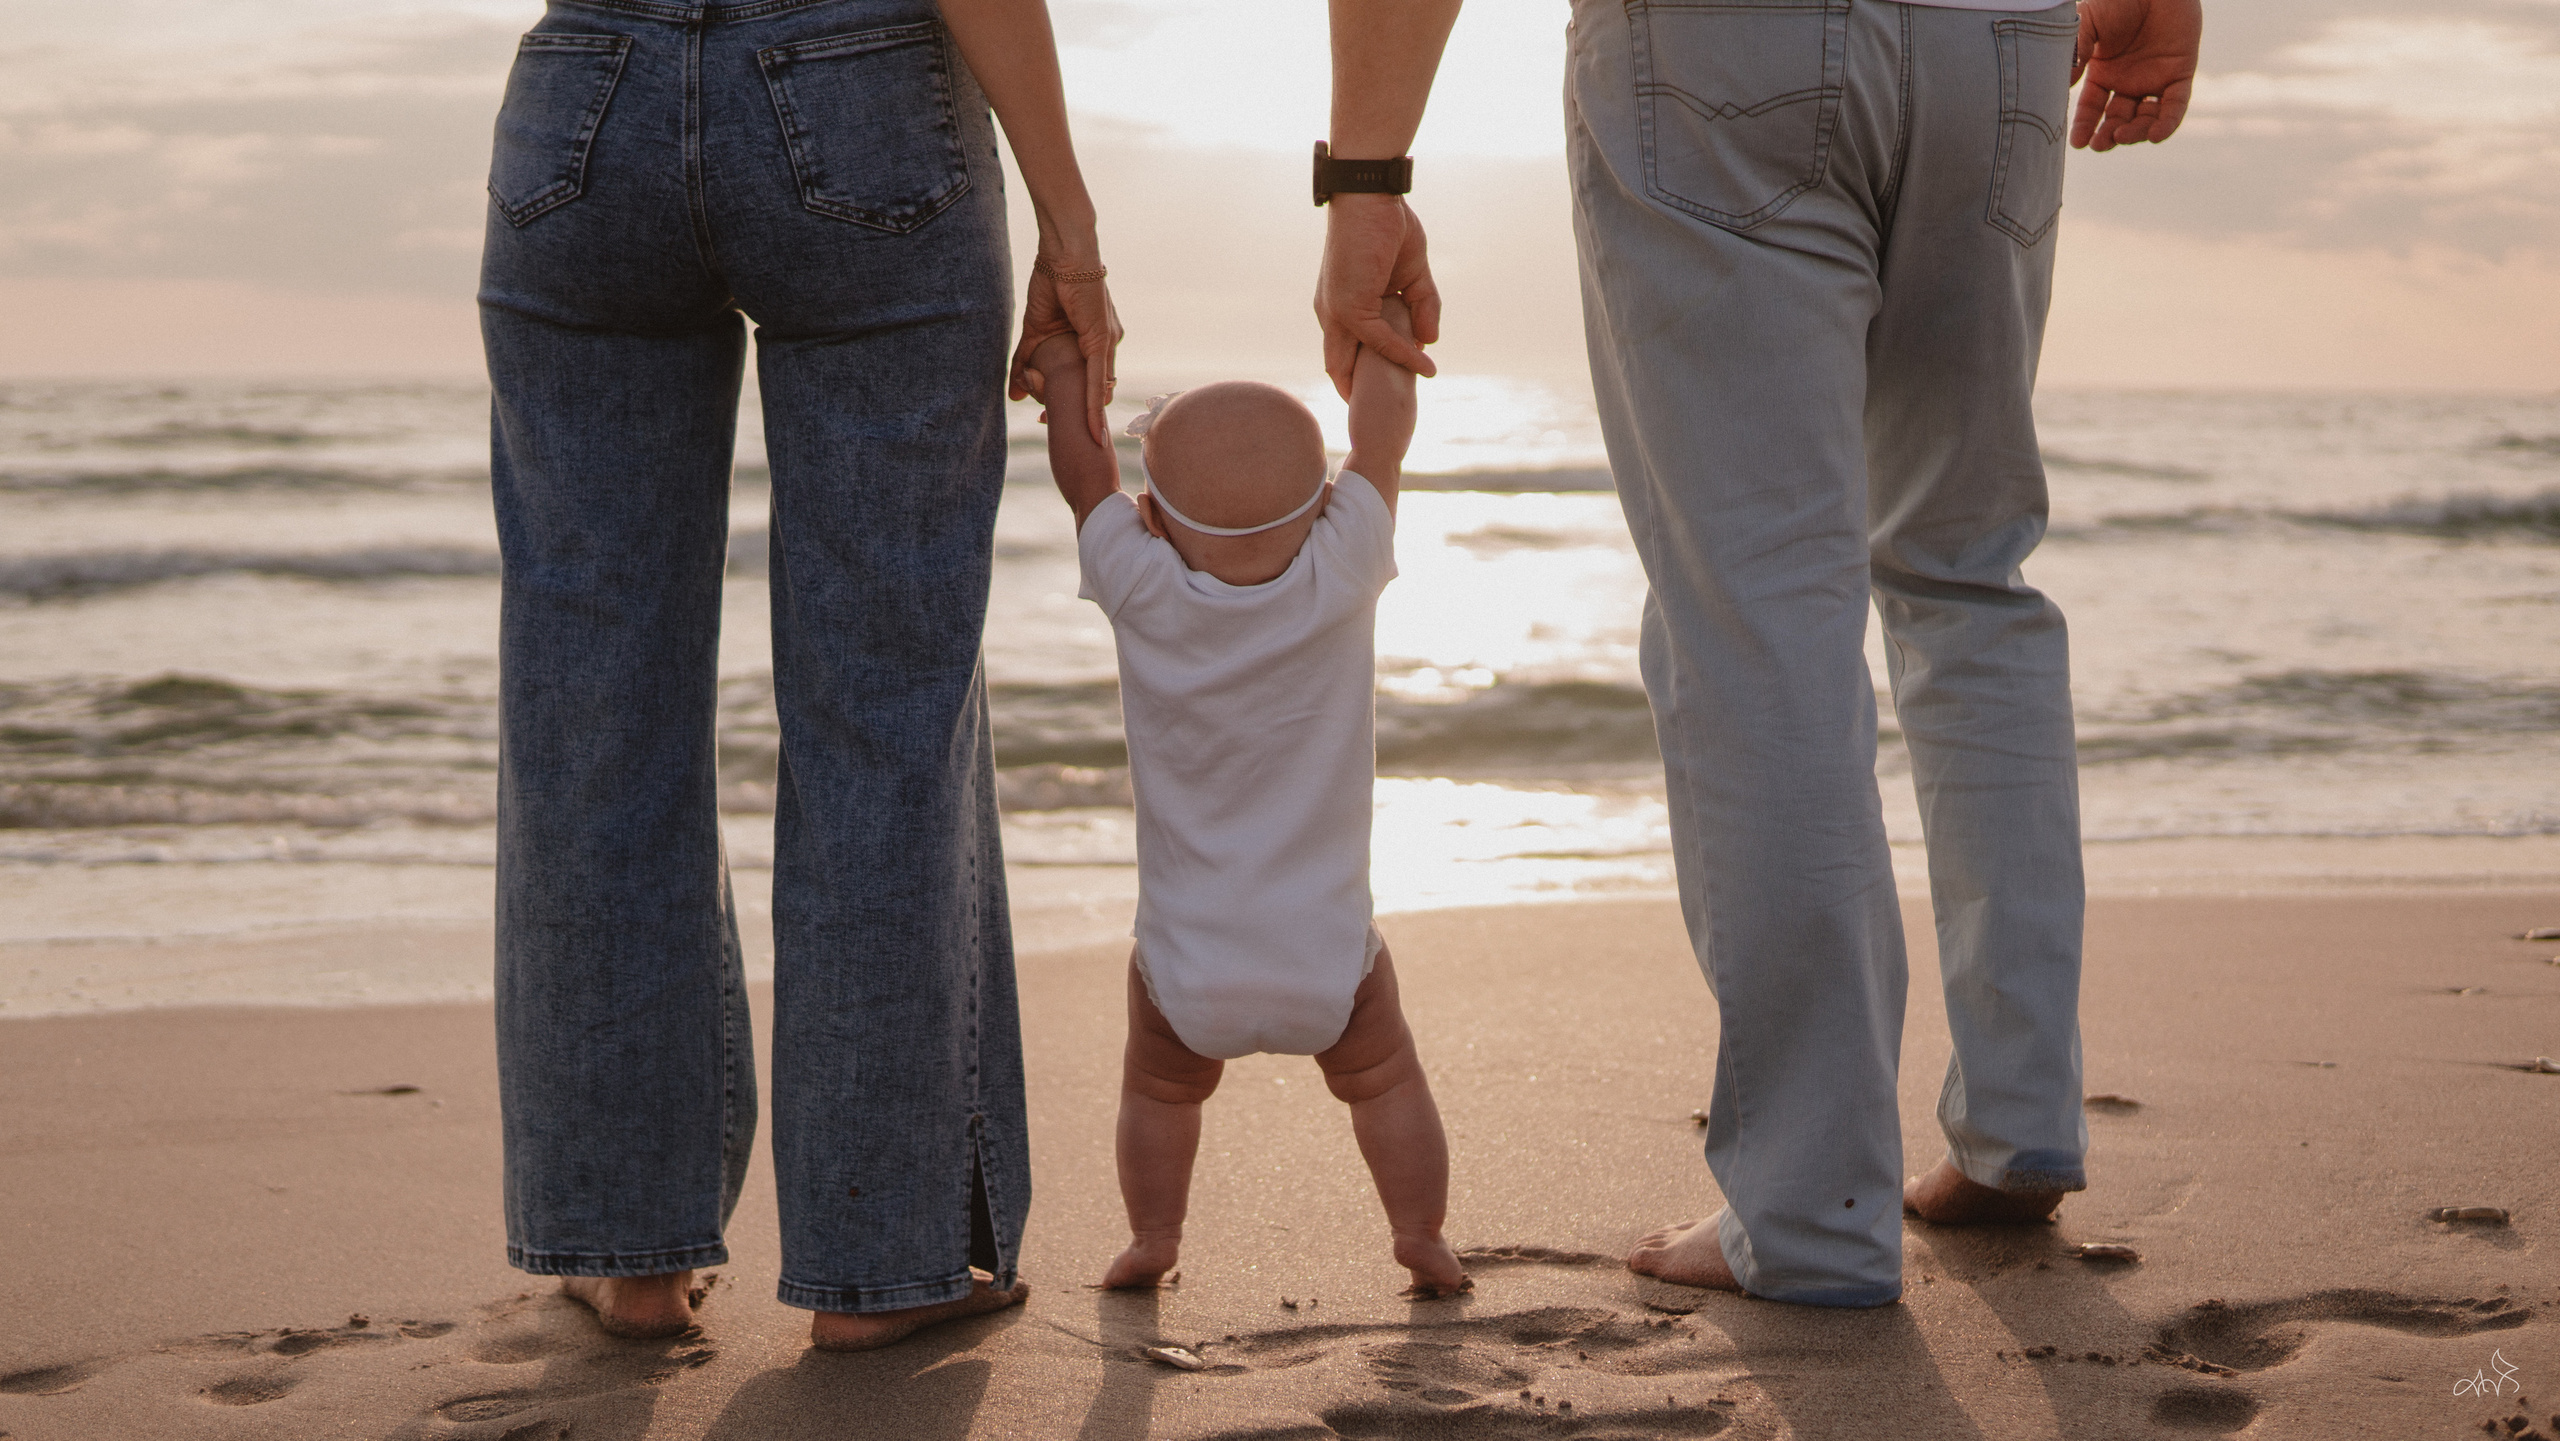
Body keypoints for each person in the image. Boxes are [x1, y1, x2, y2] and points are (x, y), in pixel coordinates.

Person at [1315, 0, 2203, 1304]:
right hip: (1994, 36)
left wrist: (1364, 178)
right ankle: (2019, 1124)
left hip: (1723, 48)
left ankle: (1813, 1207)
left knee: (1758, 606)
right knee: (1969, 577)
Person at [478, 0, 1118, 1348]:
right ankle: (886, 1261)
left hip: (586, 93)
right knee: (884, 702)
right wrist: (1071, 228)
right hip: (864, 88)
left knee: (592, 697)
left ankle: (628, 1252)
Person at [1026, 307, 1471, 1298]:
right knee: (1383, 1079)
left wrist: (1064, 368)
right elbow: (1382, 439)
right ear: (1324, 503)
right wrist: (1384, 334)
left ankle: (1153, 1236)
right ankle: (1421, 1234)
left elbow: (1084, 477)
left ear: (1151, 515)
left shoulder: (1140, 582)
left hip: (1186, 959)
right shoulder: (1343, 564)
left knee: (1158, 1089)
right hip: (1330, 953)